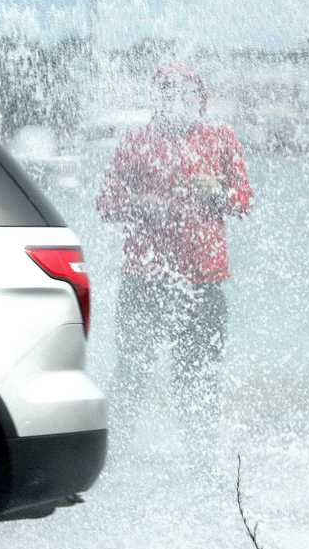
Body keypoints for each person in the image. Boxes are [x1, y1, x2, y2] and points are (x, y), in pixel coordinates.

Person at [95, 63, 253, 426]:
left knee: (198, 376)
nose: (177, 100)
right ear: (156, 98)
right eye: (168, 93)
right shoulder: (136, 143)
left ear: (200, 99)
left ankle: (202, 466)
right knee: (132, 371)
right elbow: (106, 203)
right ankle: (117, 456)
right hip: (144, 278)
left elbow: (243, 200)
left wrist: (219, 194)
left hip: (204, 280)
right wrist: (140, 205)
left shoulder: (221, 139)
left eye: (186, 94)